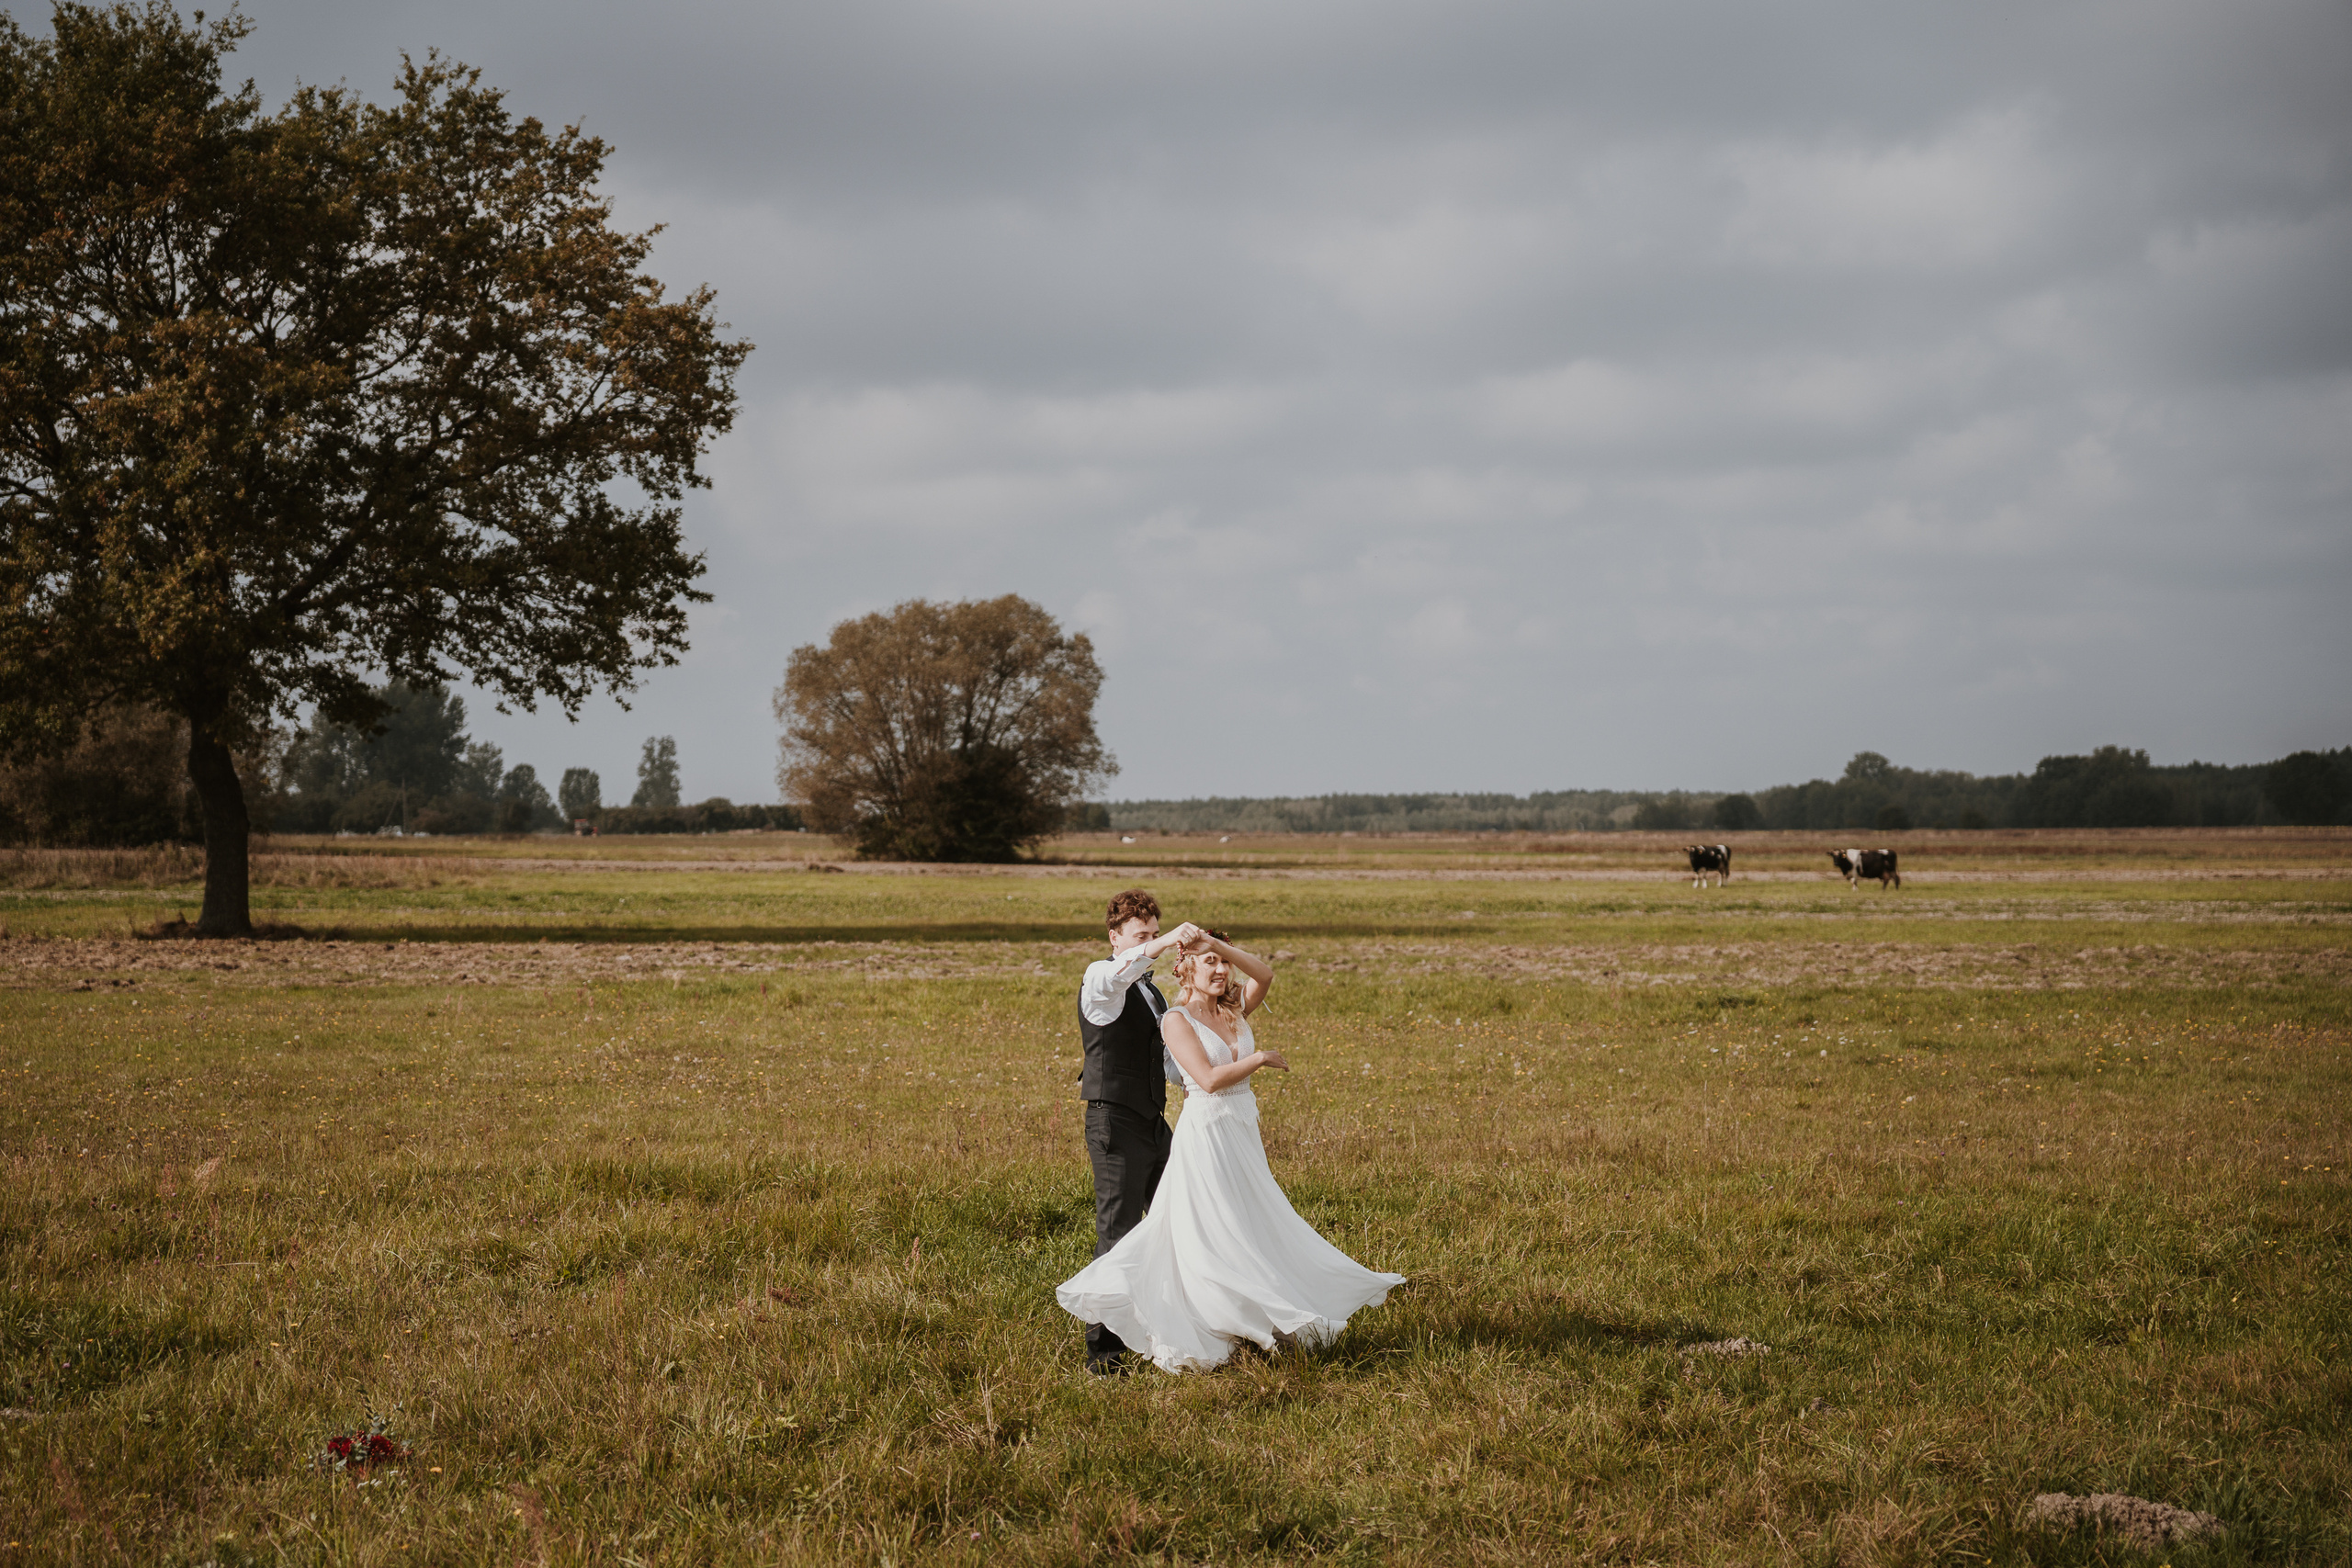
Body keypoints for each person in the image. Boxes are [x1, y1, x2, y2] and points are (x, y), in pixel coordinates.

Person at [1057, 927, 1405, 1372]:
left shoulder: (1233, 1008)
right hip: (1207, 1131)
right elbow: (1208, 1079)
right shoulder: (1176, 1019)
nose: (1222, 970)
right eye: (1210, 964)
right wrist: (1259, 1059)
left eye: (1224, 963)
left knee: (1252, 1222)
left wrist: (1216, 945)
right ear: (1184, 968)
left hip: (1242, 1130)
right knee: (1213, 1229)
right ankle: (1204, 1321)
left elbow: (1266, 973)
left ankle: (1259, 1316)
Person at [1074, 889, 1203, 1373]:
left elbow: (1168, 1063)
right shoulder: (1100, 979)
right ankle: (1103, 1352)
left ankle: (1179, 1324)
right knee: (1118, 1232)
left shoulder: (1152, 992)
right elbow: (1120, 970)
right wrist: (1167, 940)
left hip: (1153, 1120)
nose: (1151, 943)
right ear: (1115, 937)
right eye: (1141, 935)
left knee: (1181, 1215)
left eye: (1154, 933)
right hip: (1113, 1121)